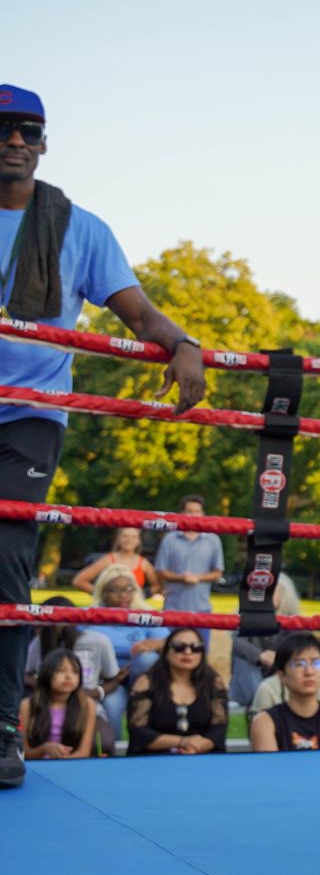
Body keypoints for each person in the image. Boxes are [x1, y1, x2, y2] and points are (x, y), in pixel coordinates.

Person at [0, 84, 207, 787]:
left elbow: (140, 313)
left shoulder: (79, 227)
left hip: (28, 418)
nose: (16, 140)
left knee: (7, 565)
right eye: (4, 128)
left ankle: (3, 727)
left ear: (45, 141)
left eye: (29, 129)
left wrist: (182, 342)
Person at [86, 571, 164, 751]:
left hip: (141, 678)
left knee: (148, 658)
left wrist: (154, 644)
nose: (124, 594)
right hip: (109, 681)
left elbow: (173, 640)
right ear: (103, 592)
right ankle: (116, 752)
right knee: (112, 705)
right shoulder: (90, 616)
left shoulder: (146, 615)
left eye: (129, 589)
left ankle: (144, 703)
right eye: (116, 590)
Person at [153, 496, 224, 678]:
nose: (193, 515)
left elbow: (218, 572)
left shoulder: (213, 539)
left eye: (197, 511)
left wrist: (197, 578)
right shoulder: (170, 538)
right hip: (173, 608)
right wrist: (181, 578)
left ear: (203, 514)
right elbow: (160, 570)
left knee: (200, 656)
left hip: (201, 609)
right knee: (169, 655)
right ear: (181, 514)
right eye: (189, 511)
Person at [126, 629, 227, 755]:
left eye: (196, 648)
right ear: (166, 651)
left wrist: (199, 746)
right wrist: (182, 742)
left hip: (203, 758)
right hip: (153, 761)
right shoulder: (146, 683)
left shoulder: (213, 682)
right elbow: (139, 733)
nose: (188, 652)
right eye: (179, 647)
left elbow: (219, 729)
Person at [249, 634, 320, 752]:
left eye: (316, 663)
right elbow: (269, 768)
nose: (309, 671)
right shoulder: (265, 722)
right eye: (299, 664)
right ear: (282, 675)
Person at [229, 573, 298, 711]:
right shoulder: (244, 618)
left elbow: (297, 645)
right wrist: (260, 656)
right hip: (248, 681)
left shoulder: (293, 621)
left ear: (284, 596)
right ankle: (261, 704)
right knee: (245, 663)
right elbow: (238, 642)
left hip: (278, 676)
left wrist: (277, 657)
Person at [19, 648, 97, 759]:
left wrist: (62, 760)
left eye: (75, 671)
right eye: (61, 670)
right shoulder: (27, 705)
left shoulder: (88, 705)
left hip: (72, 765)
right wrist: (45, 748)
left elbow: (84, 752)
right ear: (46, 673)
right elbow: (24, 752)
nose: (69, 676)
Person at [73, 528, 159, 600]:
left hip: (133, 611)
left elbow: (158, 586)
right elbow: (79, 581)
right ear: (119, 539)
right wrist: (102, 595)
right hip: (110, 610)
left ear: (139, 541)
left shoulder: (144, 563)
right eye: (125, 536)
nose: (129, 540)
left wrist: (140, 596)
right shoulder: (108, 560)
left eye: (133, 537)